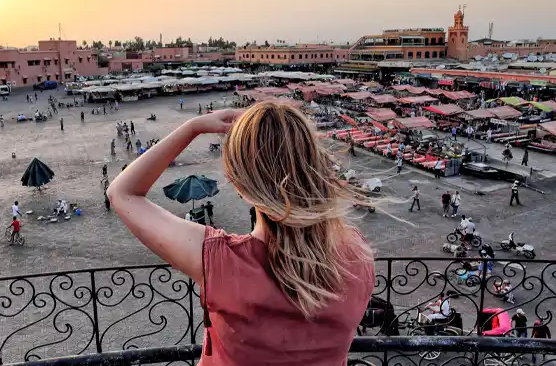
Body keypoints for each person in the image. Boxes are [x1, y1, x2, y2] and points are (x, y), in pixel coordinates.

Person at [106, 103, 375, 364]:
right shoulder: (358, 254)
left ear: (238, 185)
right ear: (315, 167)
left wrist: (192, 127)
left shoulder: (221, 261)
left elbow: (122, 193)